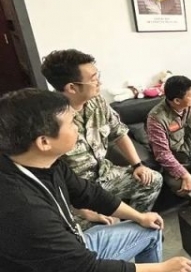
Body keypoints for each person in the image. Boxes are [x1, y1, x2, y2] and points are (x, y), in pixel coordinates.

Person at [0, 88, 191, 272]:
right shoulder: (21, 208)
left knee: (149, 230)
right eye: (71, 123)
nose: (76, 128)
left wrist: (139, 216)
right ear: (44, 142)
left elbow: (88, 193)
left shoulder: (44, 162)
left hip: (69, 258)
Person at [41, 50, 161, 224]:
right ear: (72, 88)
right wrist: (81, 210)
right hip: (74, 194)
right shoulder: (49, 119)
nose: (99, 82)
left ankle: (135, 227)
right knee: (89, 230)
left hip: (104, 174)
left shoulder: (97, 101)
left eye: (98, 76)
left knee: (152, 180)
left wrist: (138, 165)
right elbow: (45, 175)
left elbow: (118, 132)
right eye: (93, 79)